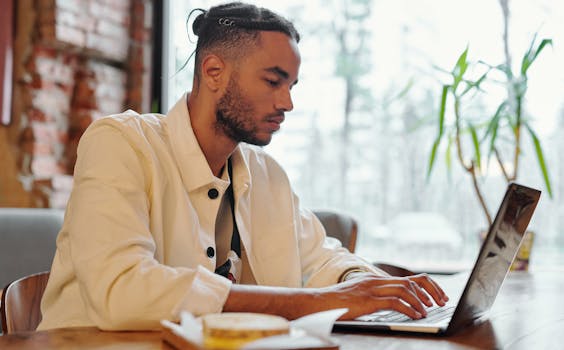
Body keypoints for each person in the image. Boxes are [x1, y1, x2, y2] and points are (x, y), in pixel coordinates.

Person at [38, 2, 448, 331]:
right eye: (273, 81)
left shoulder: (267, 173)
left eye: (291, 86)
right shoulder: (120, 142)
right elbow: (122, 290)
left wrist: (368, 285)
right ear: (213, 71)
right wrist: (315, 303)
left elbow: (321, 256)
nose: (287, 103)